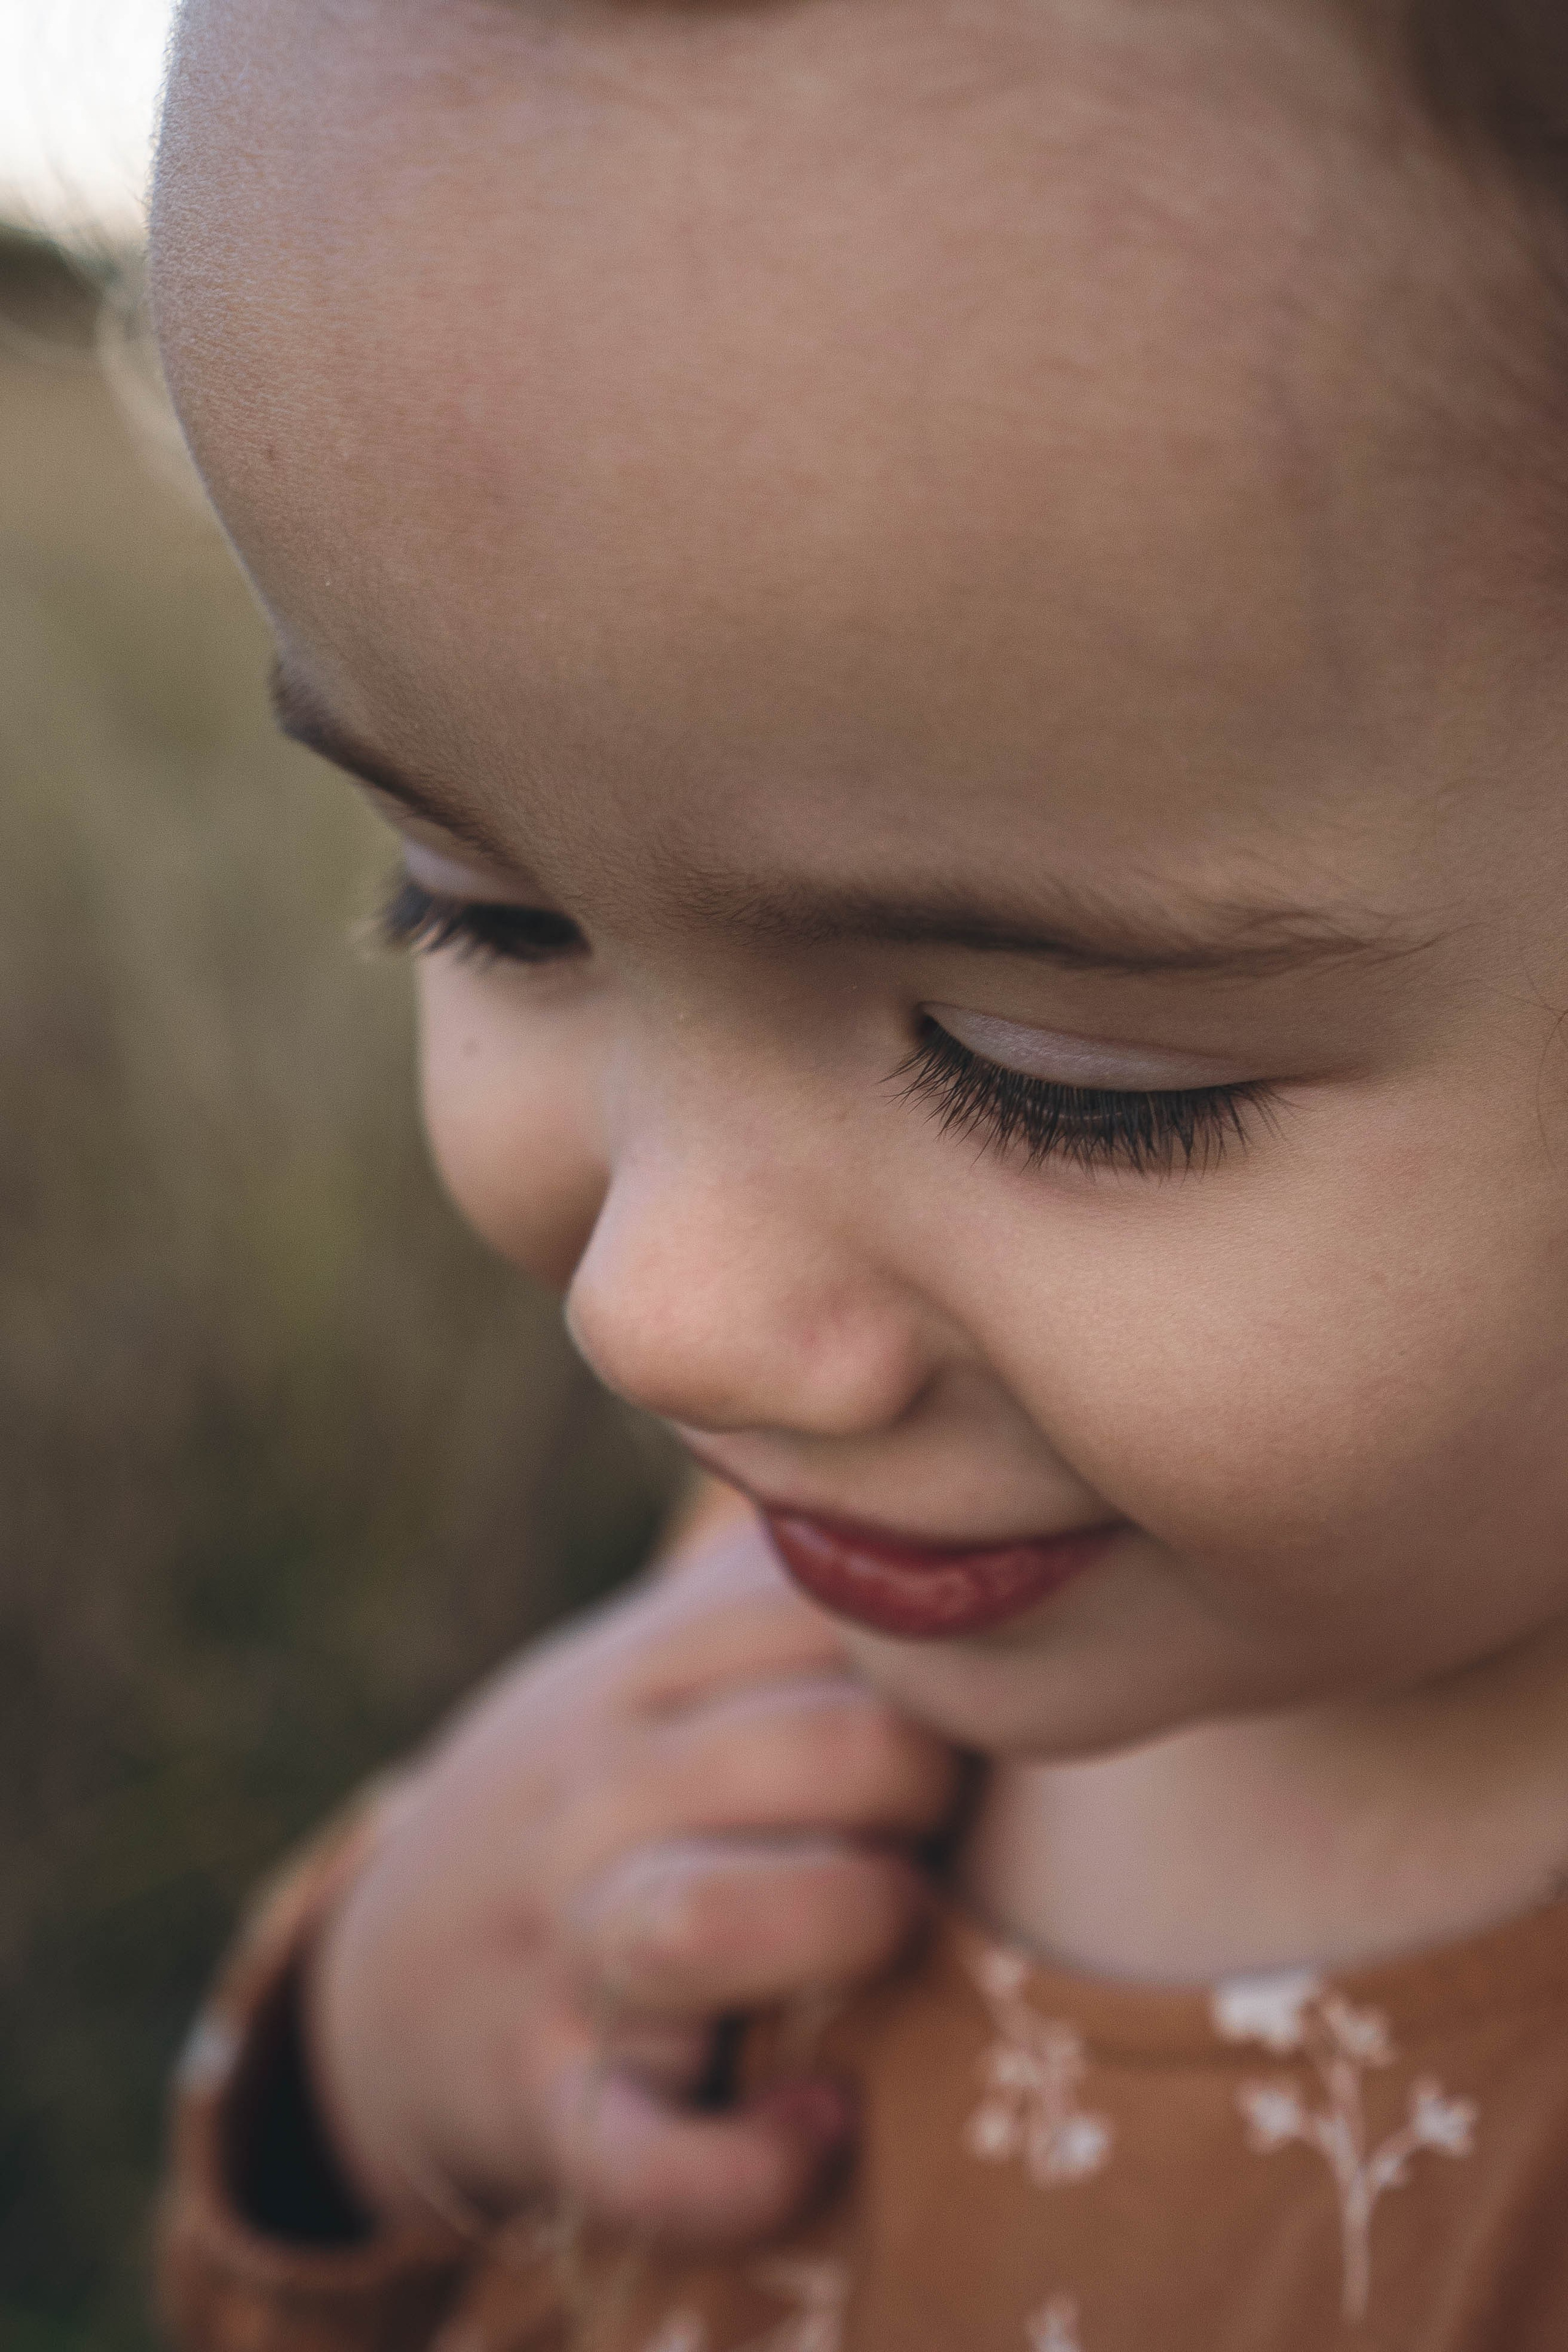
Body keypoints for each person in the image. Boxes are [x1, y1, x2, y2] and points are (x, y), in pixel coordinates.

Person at [148, 1, 1568, 2344]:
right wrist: (370, 2077)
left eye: (1060, 1080)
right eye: (488, 910)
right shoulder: (846, 1573)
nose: (658, 1315)